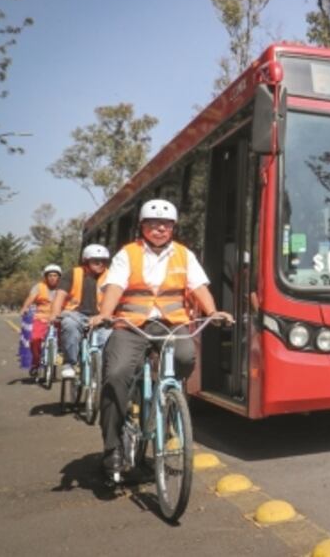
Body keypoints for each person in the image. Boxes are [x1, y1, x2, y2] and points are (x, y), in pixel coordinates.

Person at [89, 199, 232, 478]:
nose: (160, 229)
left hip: (170, 323)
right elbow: (115, 286)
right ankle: (112, 447)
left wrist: (213, 311)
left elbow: (198, 286)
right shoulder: (126, 254)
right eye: (153, 224)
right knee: (116, 374)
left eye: (165, 225)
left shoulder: (183, 254)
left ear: (173, 228)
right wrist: (106, 313)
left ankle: (165, 401)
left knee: (185, 357)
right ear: (142, 226)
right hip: (130, 324)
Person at [48, 244, 112, 379]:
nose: (100, 264)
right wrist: (54, 314)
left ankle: (101, 371)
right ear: (86, 261)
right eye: (96, 261)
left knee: (109, 337)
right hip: (75, 314)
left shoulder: (111, 275)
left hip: (101, 316)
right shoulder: (73, 273)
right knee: (69, 325)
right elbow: (60, 295)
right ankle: (70, 363)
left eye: (104, 261)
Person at [19, 264, 62, 378]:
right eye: (50, 275)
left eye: (55, 275)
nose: (53, 278)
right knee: (35, 340)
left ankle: (64, 361)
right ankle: (35, 363)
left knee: (67, 338)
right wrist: (25, 308)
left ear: (59, 277)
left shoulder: (63, 287)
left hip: (59, 318)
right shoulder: (39, 286)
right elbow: (30, 298)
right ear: (46, 277)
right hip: (41, 317)